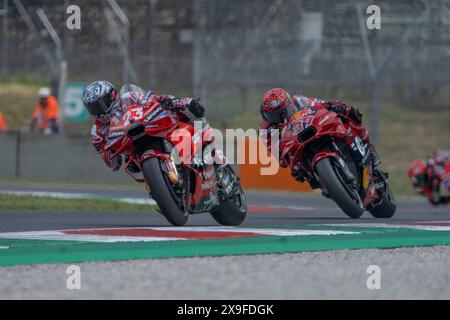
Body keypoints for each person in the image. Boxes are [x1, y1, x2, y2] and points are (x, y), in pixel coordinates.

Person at [82, 80, 208, 171]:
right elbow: (113, 164)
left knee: (187, 109)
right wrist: (109, 151)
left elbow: (155, 99)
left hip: (153, 125)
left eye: (100, 104)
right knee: (132, 167)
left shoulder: (129, 96)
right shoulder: (97, 132)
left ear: (112, 96)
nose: (98, 110)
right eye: (93, 108)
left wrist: (181, 102)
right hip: (136, 152)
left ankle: (208, 145)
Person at [259, 88, 380, 181]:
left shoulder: (298, 101)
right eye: (271, 115)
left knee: (350, 114)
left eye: (280, 113)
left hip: (315, 128)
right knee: (300, 174)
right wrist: (290, 163)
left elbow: (319, 104)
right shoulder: (266, 131)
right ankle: (328, 182)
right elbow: (280, 159)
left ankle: (368, 148)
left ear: (288, 106)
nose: (276, 118)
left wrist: (334, 106)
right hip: (297, 147)